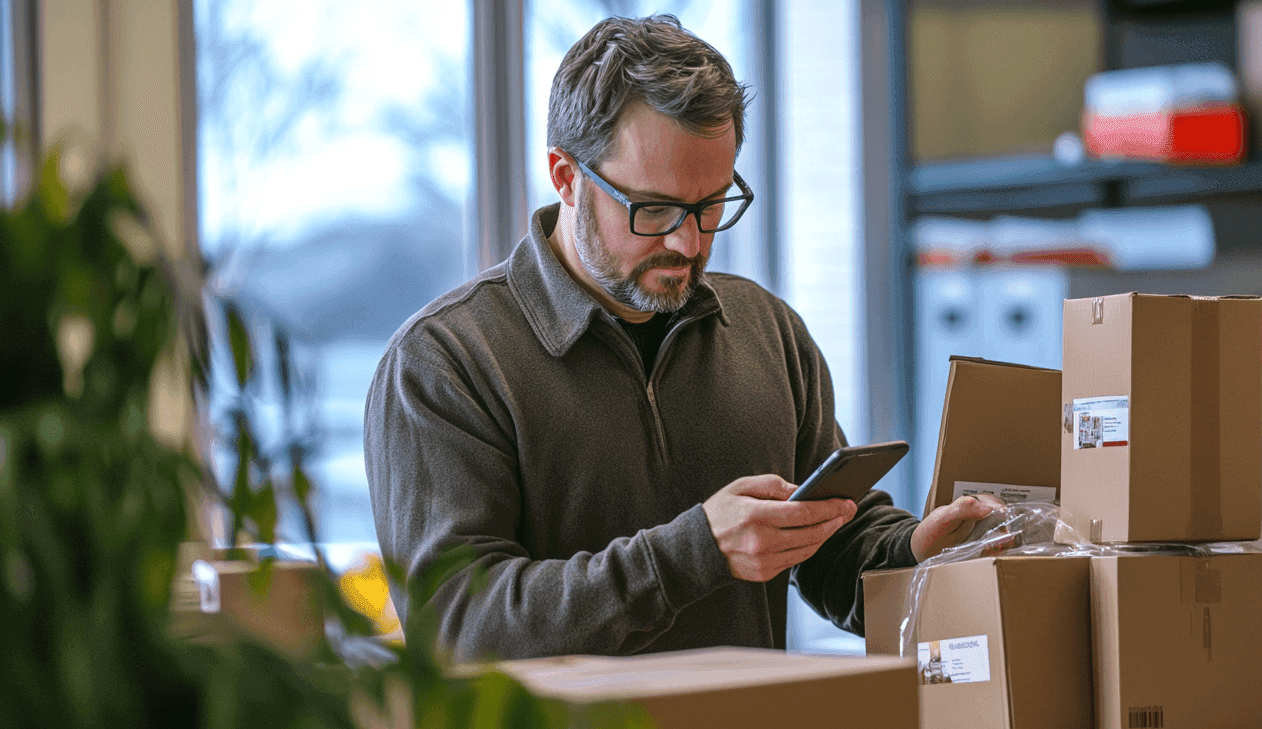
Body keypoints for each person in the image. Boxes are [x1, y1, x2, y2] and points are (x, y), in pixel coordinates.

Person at [364, 14, 996, 663]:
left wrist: (914, 551)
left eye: (712, 205)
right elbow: (456, 629)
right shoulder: (446, 363)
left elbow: (833, 550)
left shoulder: (767, 332)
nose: (688, 243)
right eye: (655, 209)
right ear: (566, 176)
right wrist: (694, 553)